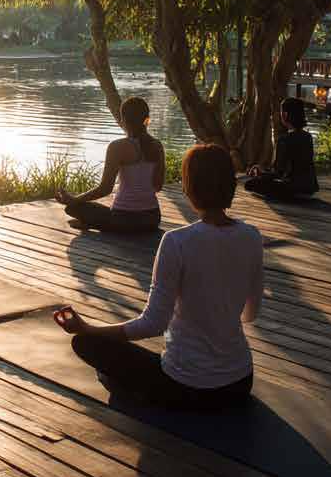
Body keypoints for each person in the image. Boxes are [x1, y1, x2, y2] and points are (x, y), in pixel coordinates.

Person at [53, 144, 264, 410]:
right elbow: (250, 314)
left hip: (185, 386)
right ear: (231, 186)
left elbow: (152, 324)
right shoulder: (252, 236)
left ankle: (133, 388)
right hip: (239, 382)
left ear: (189, 189)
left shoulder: (177, 242)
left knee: (86, 343)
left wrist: (88, 328)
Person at [55, 97, 165, 233]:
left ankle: (92, 223)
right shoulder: (157, 146)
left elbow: (105, 189)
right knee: (88, 209)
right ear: (147, 120)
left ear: (123, 120)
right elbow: (158, 186)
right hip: (152, 219)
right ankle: (93, 223)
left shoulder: (117, 147)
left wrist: (74, 200)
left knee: (73, 208)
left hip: (122, 220)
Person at [244, 97, 318, 200]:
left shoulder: (284, 139)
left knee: (249, 184)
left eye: (281, 111)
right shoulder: (308, 137)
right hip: (309, 187)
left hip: (291, 188)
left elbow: (278, 172)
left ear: (285, 115)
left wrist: (260, 172)